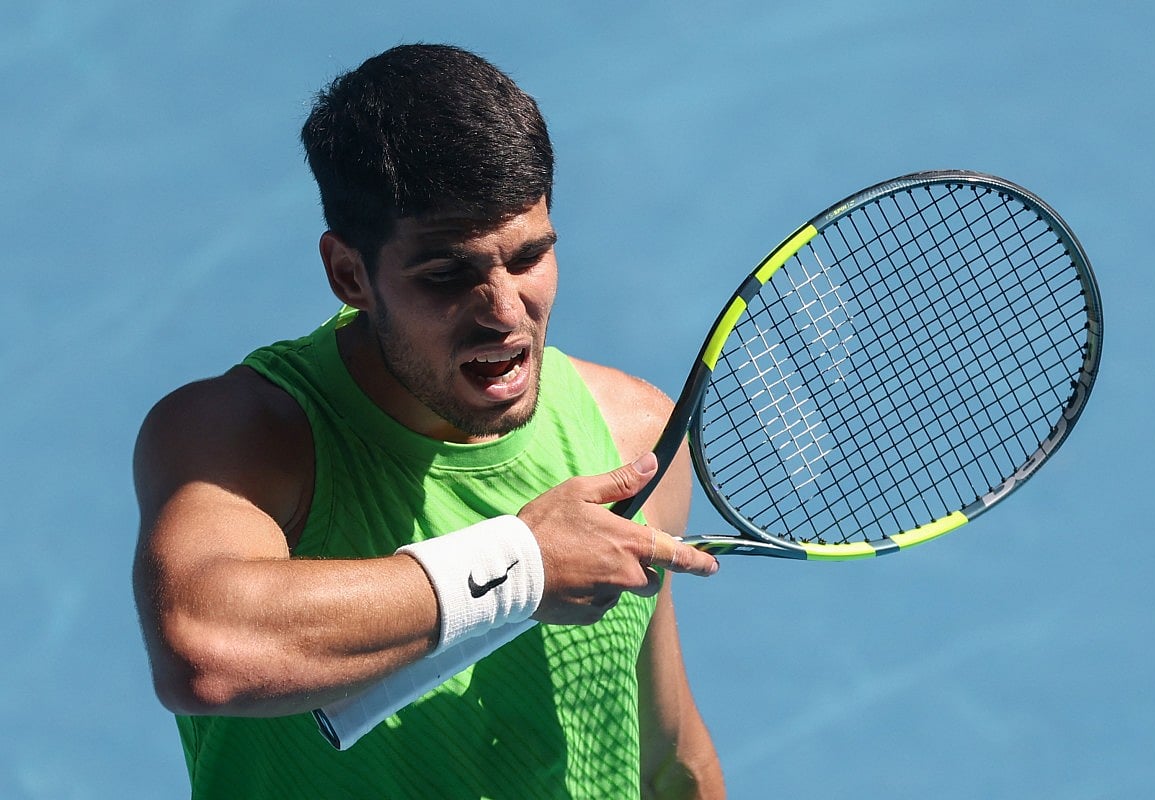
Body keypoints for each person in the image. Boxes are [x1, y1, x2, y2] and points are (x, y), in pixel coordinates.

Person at [132, 43, 726, 798]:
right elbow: (205, 649)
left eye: (529, 257)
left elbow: (667, 757)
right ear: (350, 274)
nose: (504, 314)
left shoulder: (636, 438)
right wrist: (520, 565)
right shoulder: (243, 435)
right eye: (449, 274)